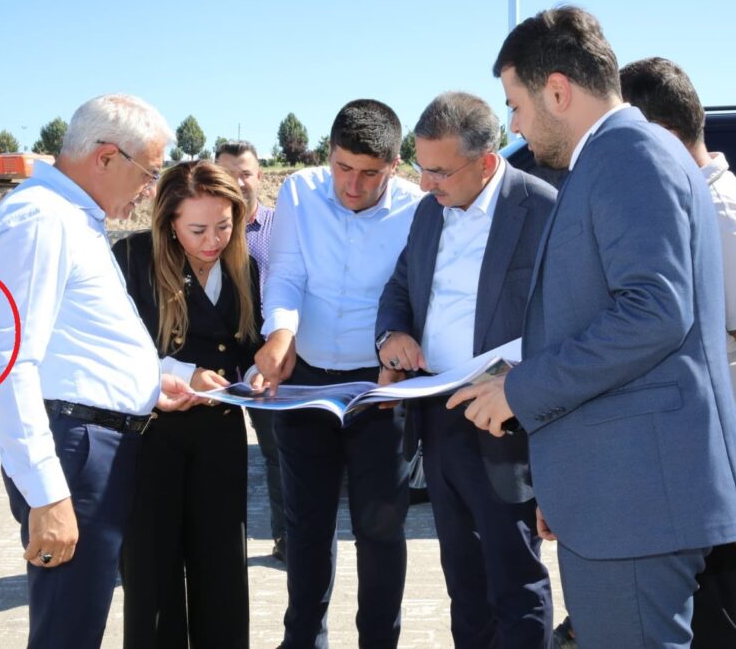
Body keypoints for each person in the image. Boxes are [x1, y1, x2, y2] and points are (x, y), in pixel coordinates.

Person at [449, 7, 736, 648]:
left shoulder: (628, 155)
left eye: (515, 105)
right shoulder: (621, 158)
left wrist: (522, 389)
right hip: (623, 494)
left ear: (556, 90)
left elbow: (653, 310)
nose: (513, 125)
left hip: (637, 501)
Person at [0, 93, 198, 648]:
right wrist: (48, 495)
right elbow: (9, 364)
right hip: (73, 454)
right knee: (68, 633)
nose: (150, 189)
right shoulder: (41, 220)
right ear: (105, 157)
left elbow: (74, 343)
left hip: (90, 443)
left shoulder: (71, 218)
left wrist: (152, 383)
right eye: (148, 172)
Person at [620, 56, 736, 649]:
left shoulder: (724, 215)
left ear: (662, 137)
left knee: (710, 632)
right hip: (696, 459)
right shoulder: (685, 203)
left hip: (733, 466)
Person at [376, 91, 555, 648]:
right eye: (420, 168)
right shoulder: (429, 212)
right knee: (463, 578)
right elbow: (402, 285)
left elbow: (569, 316)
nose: (425, 184)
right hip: (440, 414)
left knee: (515, 577)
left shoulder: (544, 208)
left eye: (438, 171)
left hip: (508, 419)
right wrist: (392, 335)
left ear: (485, 160)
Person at [253, 99, 423, 648]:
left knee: (380, 527)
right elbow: (286, 274)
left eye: (370, 173)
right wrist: (279, 333)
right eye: (343, 168)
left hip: (381, 388)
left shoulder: (418, 209)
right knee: (307, 525)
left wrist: (399, 361)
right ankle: (303, 639)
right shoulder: (299, 192)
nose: (353, 185)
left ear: (395, 164)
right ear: (329, 155)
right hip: (304, 383)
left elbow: (415, 296)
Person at [114, 159, 261, 648]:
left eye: (224, 225)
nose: (213, 240)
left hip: (220, 435)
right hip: (151, 435)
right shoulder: (133, 258)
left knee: (221, 565)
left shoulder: (246, 267)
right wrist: (180, 374)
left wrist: (259, 370)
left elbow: (247, 346)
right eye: (197, 228)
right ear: (169, 222)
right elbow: (116, 349)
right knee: (152, 571)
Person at [216, 139, 286, 561]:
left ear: (260, 175)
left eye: (245, 172)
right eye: (228, 173)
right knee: (215, 455)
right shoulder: (203, 227)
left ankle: (286, 538)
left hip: (267, 355)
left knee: (277, 454)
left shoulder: (282, 228)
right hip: (216, 354)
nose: (238, 182)